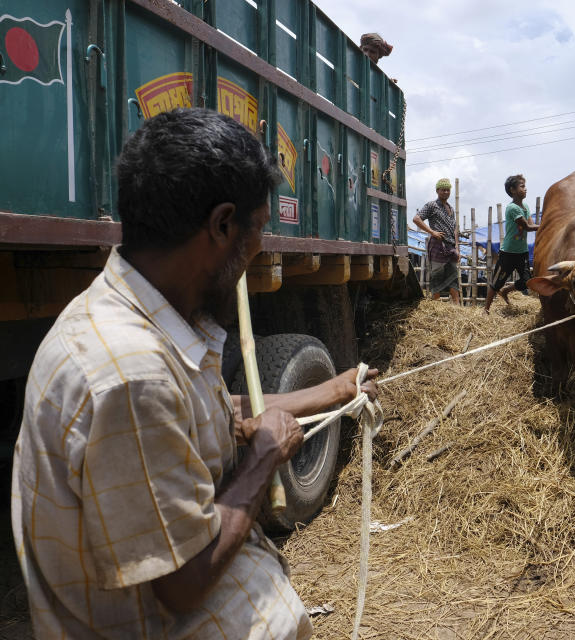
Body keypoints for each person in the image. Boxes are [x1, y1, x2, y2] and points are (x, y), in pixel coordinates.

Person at [10, 108, 379, 639]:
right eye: (257, 234)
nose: (257, 253)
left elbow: (193, 415)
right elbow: (184, 583)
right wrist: (259, 463)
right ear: (222, 224)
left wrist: (332, 391)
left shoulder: (138, 318)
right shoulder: (134, 375)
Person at [484, 174, 538, 313]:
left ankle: (506, 290)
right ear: (512, 190)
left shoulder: (525, 206)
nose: (525, 189)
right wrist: (546, 225)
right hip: (508, 253)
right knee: (496, 283)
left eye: (525, 186)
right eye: (522, 186)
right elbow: (527, 227)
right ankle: (486, 310)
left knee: (527, 281)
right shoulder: (512, 208)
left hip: (522, 252)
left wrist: (541, 226)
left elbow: (531, 224)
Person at [413, 178, 461, 303]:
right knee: (437, 277)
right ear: (437, 191)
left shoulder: (450, 208)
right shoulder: (431, 205)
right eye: (443, 190)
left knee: (454, 278)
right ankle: (436, 308)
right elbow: (417, 219)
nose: (446, 192)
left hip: (450, 247)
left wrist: (456, 247)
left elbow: (455, 229)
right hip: (437, 246)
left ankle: (457, 308)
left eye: (448, 190)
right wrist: (432, 232)